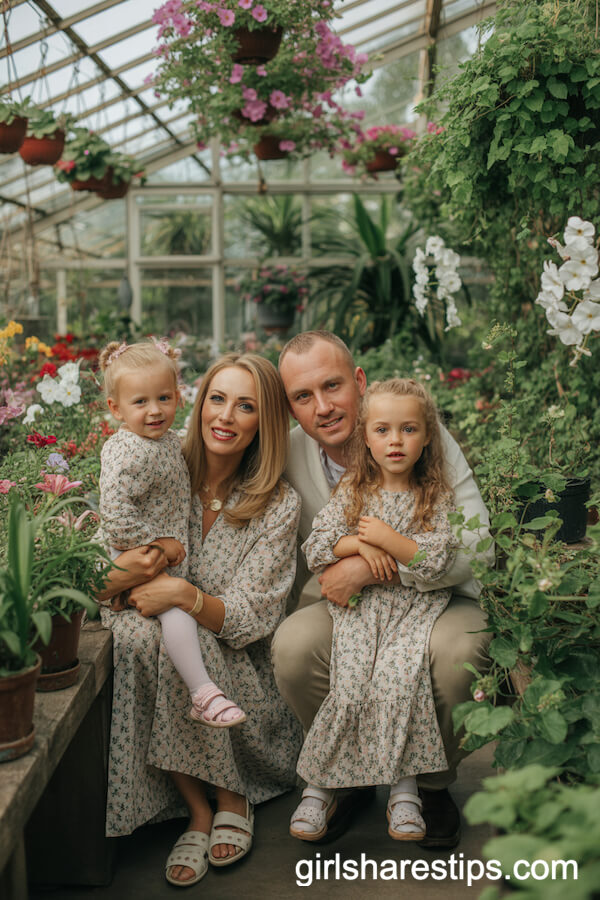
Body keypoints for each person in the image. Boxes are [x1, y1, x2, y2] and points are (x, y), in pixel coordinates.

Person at [272, 331, 493, 848]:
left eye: (332, 387)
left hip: (439, 595)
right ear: (290, 407)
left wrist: (375, 565)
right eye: (303, 397)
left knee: (454, 653)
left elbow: (476, 547)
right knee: (293, 647)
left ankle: (430, 783)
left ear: (359, 382)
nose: (322, 407)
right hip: (344, 602)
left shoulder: (423, 438)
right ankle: (346, 774)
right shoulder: (288, 452)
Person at [96, 352, 302, 888]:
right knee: (141, 636)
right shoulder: (158, 462)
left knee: (178, 634)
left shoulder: (276, 504)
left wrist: (184, 594)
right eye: (217, 399)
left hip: (238, 669)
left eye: (246, 406)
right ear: (200, 401)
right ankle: (203, 808)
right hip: (163, 650)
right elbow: (101, 568)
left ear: (265, 423)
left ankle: (232, 793)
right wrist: (126, 577)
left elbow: (254, 617)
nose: (226, 416)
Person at [291, 377, 459, 842]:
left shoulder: (434, 493)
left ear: (427, 437)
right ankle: (320, 787)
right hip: (360, 609)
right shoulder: (354, 488)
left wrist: (389, 541)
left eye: (408, 430)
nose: (396, 441)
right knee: (351, 684)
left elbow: (438, 558)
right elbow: (317, 545)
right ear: (366, 436)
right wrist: (361, 546)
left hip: (414, 608)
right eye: (383, 430)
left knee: (400, 681)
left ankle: (405, 794)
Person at [98, 339, 245, 727]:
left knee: (177, 614)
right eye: (140, 402)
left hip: (152, 556)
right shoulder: (129, 451)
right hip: (133, 553)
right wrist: (158, 544)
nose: (154, 411)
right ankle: (203, 693)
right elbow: (114, 514)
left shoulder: (163, 442)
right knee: (178, 616)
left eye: (163, 398)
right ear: (115, 409)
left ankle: (203, 693)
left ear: (179, 397)